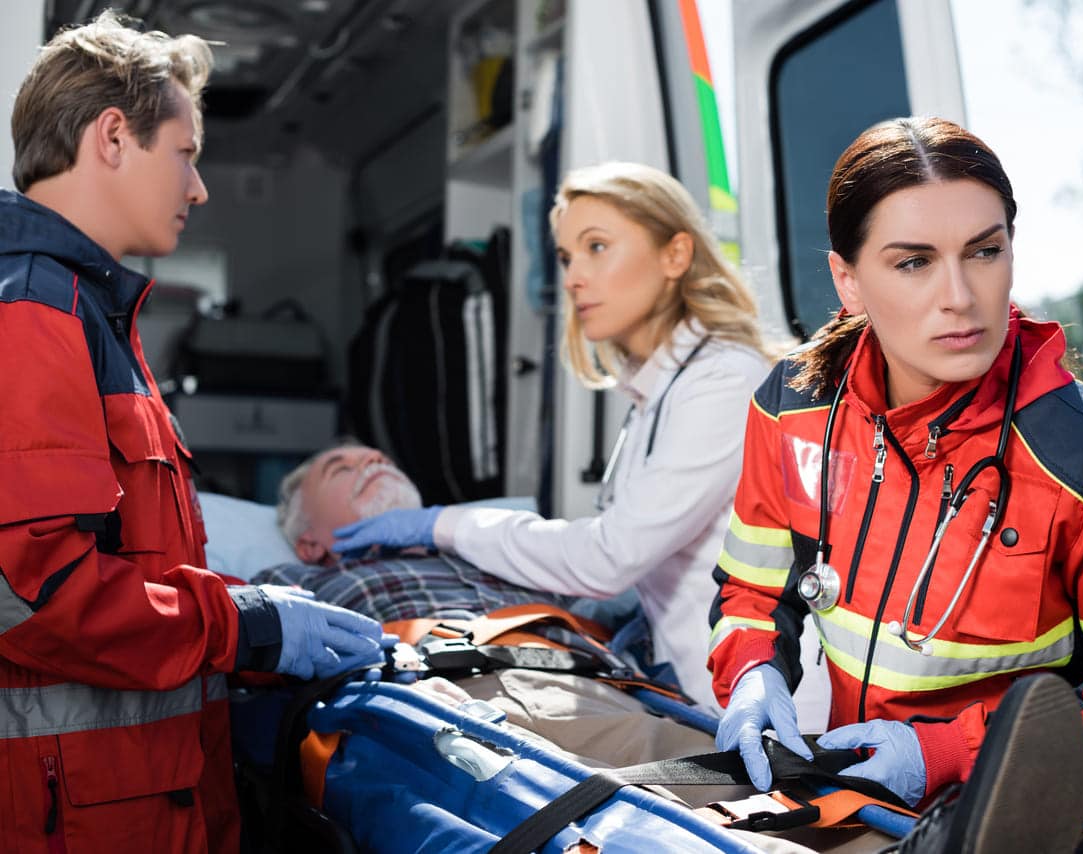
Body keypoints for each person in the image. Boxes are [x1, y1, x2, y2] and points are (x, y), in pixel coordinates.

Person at [709, 116, 1083, 852]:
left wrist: (950, 753)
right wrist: (752, 674)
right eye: (913, 262)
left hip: (1028, 821)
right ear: (846, 281)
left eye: (984, 251)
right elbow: (752, 589)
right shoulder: (790, 406)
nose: (960, 296)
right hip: (854, 801)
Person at [0, 13, 385, 853]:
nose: (200, 186)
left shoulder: (87, 313)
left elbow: (127, 570)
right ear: (111, 137)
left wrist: (245, 632)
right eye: (185, 151)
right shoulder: (33, 312)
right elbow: (32, 594)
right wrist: (243, 624)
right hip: (80, 821)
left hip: (139, 799)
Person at [330, 161, 789, 709]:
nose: (572, 277)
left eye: (597, 247)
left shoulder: (721, 380)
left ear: (676, 255)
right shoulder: (659, 389)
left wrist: (445, 525)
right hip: (704, 692)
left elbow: (608, 557)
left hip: (762, 704)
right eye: (568, 256)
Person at [263, 441, 570, 622]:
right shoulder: (294, 584)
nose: (375, 459)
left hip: (595, 682)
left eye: (381, 459)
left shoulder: (493, 550)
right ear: (310, 545)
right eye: (341, 468)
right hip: (455, 699)